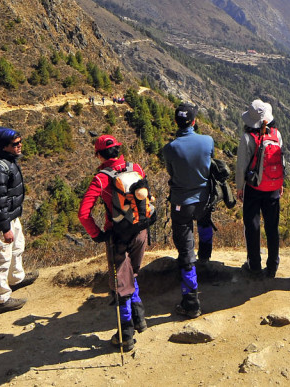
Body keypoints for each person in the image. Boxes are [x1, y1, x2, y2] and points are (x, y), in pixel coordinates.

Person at [78, 134, 154, 351]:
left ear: (100, 155)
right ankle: (140, 317)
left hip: (117, 236)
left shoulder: (101, 179)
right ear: (118, 150)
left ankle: (126, 334)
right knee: (133, 274)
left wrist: (97, 234)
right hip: (140, 231)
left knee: (121, 284)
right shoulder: (136, 167)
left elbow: (83, 213)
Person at [160, 102, 213, 318]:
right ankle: (207, 259)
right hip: (203, 199)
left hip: (182, 202)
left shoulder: (170, 148)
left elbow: (171, 172)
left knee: (185, 251)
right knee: (205, 223)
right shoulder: (207, 141)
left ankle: (191, 302)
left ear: (176, 122)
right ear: (194, 122)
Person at [0, 126, 38, 312]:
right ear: (4, 146)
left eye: (20, 142)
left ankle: (16, 279)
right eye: (15, 144)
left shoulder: (8, 161)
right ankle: (0, 300)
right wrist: (5, 227)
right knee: (0, 260)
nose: (20, 146)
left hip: (11, 217)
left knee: (16, 249)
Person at [235, 99, 284, 279]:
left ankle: (254, 264)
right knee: (272, 227)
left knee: (253, 226)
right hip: (273, 187)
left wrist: (240, 187)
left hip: (254, 187)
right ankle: (272, 266)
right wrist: (280, 183)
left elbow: (241, 166)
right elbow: (280, 161)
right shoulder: (276, 135)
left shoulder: (247, 138)